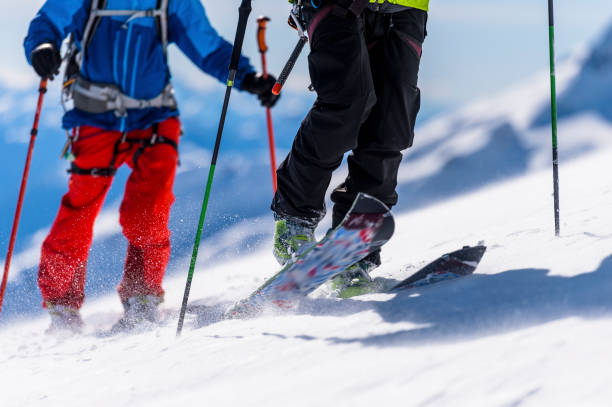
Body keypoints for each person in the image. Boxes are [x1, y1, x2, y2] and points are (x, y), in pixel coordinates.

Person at [24, 0, 278, 332]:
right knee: (81, 209)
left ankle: (141, 297)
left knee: (149, 211)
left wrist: (246, 77)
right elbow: (49, 21)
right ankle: (61, 306)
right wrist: (42, 46)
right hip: (94, 119)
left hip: (155, 120)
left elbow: (206, 46)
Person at [272, 0, 428, 296]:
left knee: (390, 127)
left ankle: (352, 250)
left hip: (406, 7)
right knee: (346, 104)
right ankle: (294, 222)